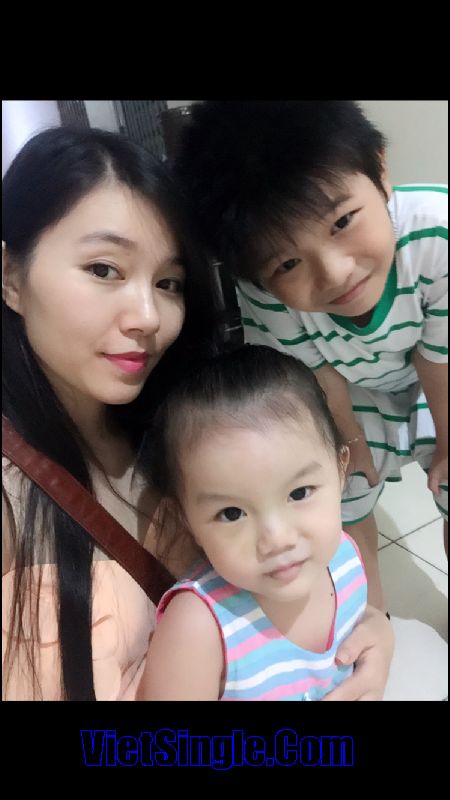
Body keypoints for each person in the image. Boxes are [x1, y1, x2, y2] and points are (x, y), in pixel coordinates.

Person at [2, 125, 393, 702]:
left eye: (168, 282)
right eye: (104, 269)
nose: (148, 316)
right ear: (11, 276)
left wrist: (372, 634)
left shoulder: (185, 423)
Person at [174, 100, 448, 611]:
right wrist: (349, 442)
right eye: (288, 263)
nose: (336, 272)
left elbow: (440, 360)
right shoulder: (261, 294)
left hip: (440, 374)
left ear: (380, 170)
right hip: (348, 386)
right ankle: (369, 620)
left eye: (342, 221)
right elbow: (316, 373)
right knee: (336, 491)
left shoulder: (439, 231)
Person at [138, 345, 369, 700]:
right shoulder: (199, 627)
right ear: (187, 521)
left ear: (340, 471)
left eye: (299, 493)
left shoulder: (344, 558)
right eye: (232, 513)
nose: (277, 539)